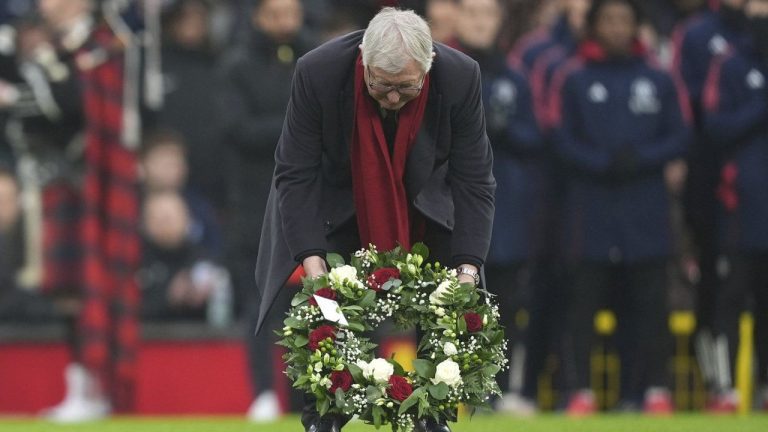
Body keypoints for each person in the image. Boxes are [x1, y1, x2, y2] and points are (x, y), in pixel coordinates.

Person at [254, 7, 495, 432]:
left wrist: (469, 267)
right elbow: (295, 172)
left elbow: (474, 180)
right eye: (381, 84)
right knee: (325, 311)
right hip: (337, 207)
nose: (392, 98)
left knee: (450, 304)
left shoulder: (461, 76)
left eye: (406, 87)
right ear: (363, 58)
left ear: (429, 66)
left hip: (424, 208)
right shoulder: (318, 72)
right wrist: (312, 260)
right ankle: (323, 421)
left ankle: (434, 420)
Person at [549, 0, 690, 415]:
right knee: (583, 305)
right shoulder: (573, 78)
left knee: (646, 306)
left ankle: (647, 391)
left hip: (645, 212)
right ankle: (581, 392)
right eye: (607, 19)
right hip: (589, 212)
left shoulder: (659, 79)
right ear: (593, 26)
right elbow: (558, 137)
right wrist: (600, 162)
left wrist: (640, 159)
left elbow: (681, 136)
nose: (615, 27)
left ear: (635, 26)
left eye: (623, 19)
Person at [216, 0, 314, 422]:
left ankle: (304, 396)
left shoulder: (314, 61)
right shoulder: (235, 66)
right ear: (257, 16)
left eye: (290, 12)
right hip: (255, 207)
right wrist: (298, 126)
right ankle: (262, 394)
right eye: (275, 13)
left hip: (308, 205)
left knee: (311, 306)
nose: (284, 22)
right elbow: (237, 130)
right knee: (261, 305)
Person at [451, 0, 544, 415]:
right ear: (457, 17)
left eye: (488, 15)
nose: (481, 23)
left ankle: (498, 389)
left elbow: (538, 136)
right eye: (473, 14)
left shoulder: (513, 76)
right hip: (453, 206)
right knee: (455, 300)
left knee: (503, 301)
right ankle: (453, 389)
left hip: (505, 206)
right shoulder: (440, 71)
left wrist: (504, 129)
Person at [701, 0, 768, 412]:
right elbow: (713, 125)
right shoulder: (729, 61)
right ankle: (723, 388)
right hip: (740, 206)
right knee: (730, 297)